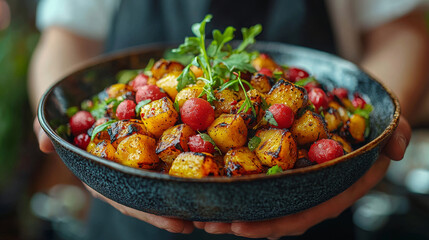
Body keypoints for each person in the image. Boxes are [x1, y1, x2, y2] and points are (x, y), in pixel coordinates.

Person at [30, 0, 423, 239]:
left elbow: (401, 31)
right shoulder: (141, 115)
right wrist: (62, 121)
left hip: (318, 210)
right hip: (127, 224)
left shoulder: (290, 114)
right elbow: (66, 38)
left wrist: (387, 116)